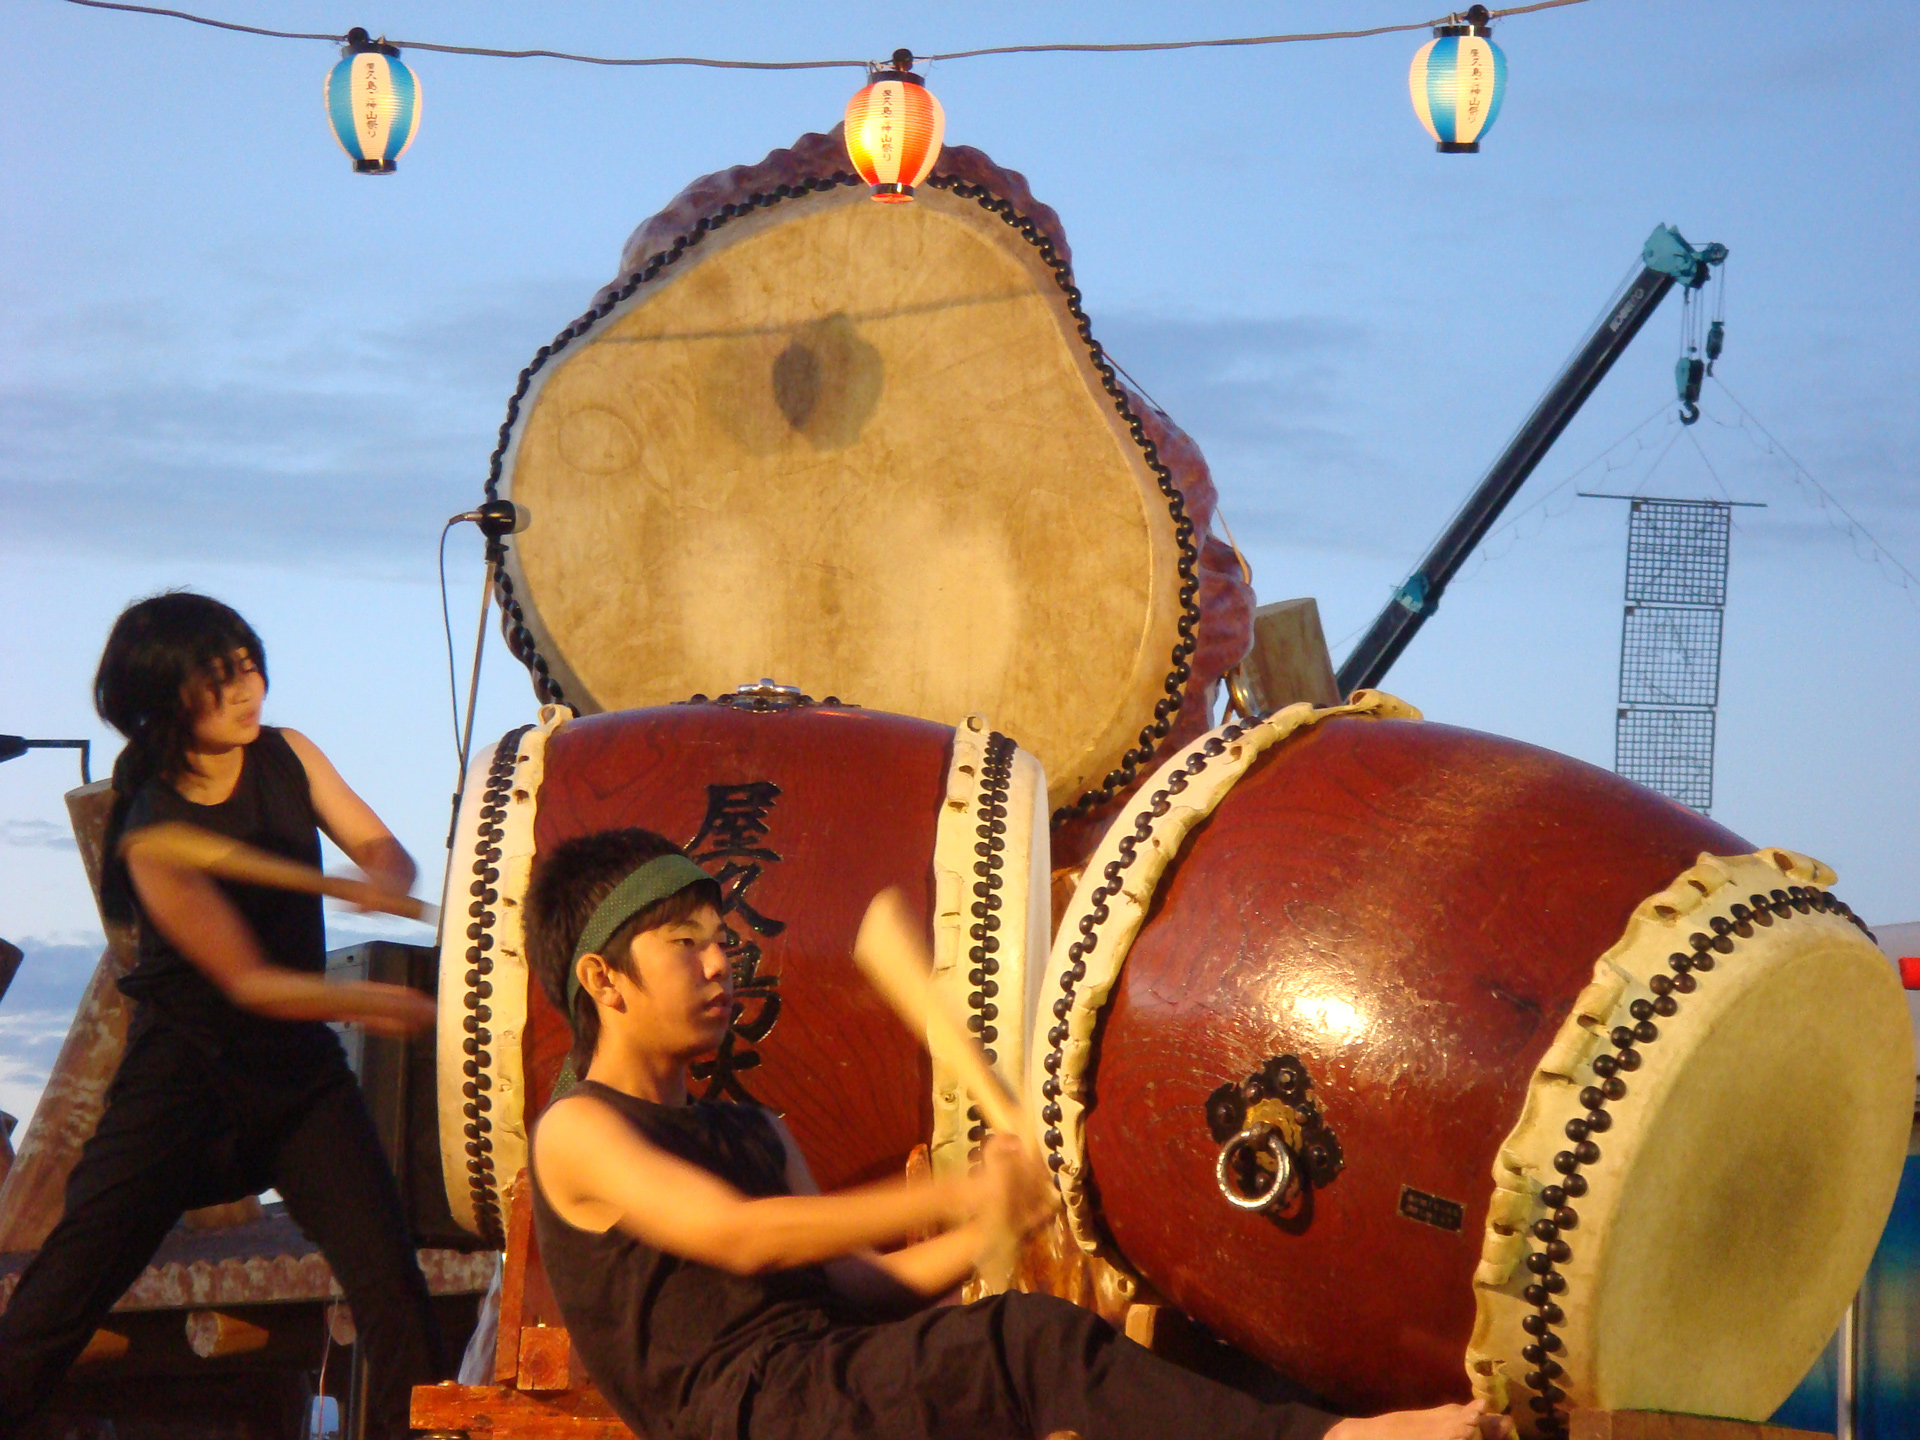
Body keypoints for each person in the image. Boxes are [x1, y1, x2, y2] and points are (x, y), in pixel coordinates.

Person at [526, 826, 1512, 1440]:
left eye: (720, 940)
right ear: (603, 982)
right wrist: (953, 1192)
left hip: (819, 1388)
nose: (717, 966)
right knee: (1029, 1347)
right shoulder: (579, 1132)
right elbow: (740, 1237)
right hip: (736, 1416)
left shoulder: (750, 1129)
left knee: (1050, 1342)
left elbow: (868, 1289)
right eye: (682, 946)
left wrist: (1003, 1216)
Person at [0, 592, 444, 1439]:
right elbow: (249, 982)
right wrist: (370, 999)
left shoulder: (289, 755)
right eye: (220, 678)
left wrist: (385, 871)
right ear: (165, 698)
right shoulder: (151, 834)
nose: (248, 692)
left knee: (392, 1288)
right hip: (183, 1080)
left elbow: (379, 844)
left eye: (248, 667)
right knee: (66, 1295)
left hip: (298, 1077)